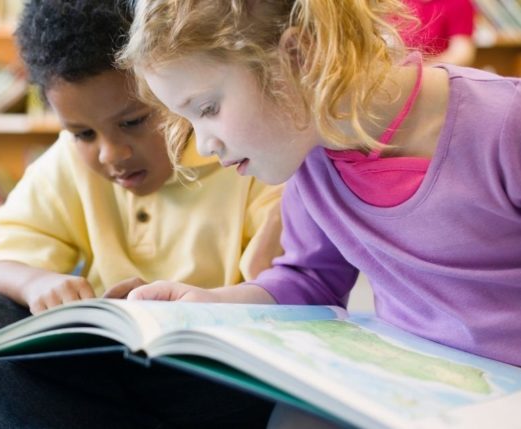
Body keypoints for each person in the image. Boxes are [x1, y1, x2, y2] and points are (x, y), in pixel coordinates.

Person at [118, 0, 520, 426]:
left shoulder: (504, 124)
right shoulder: (312, 152)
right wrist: (212, 302)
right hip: (411, 392)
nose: (203, 146)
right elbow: (310, 280)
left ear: (299, 57)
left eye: (208, 109)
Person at [0, 0, 284, 426]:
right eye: (84, 134)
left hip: (206, 373)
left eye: (133, 122)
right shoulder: (68, 164)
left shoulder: (244, 155)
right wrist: (38, 283)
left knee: (262, 381)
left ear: (175, 90)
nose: (113, 153)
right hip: (105, 368)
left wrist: (178, 308)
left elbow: (282, 301)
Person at [402, 0, 476, 66]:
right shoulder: (398, 4)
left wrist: (423, 69)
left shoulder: (458, 2)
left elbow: (461, 53)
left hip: (433, 73)